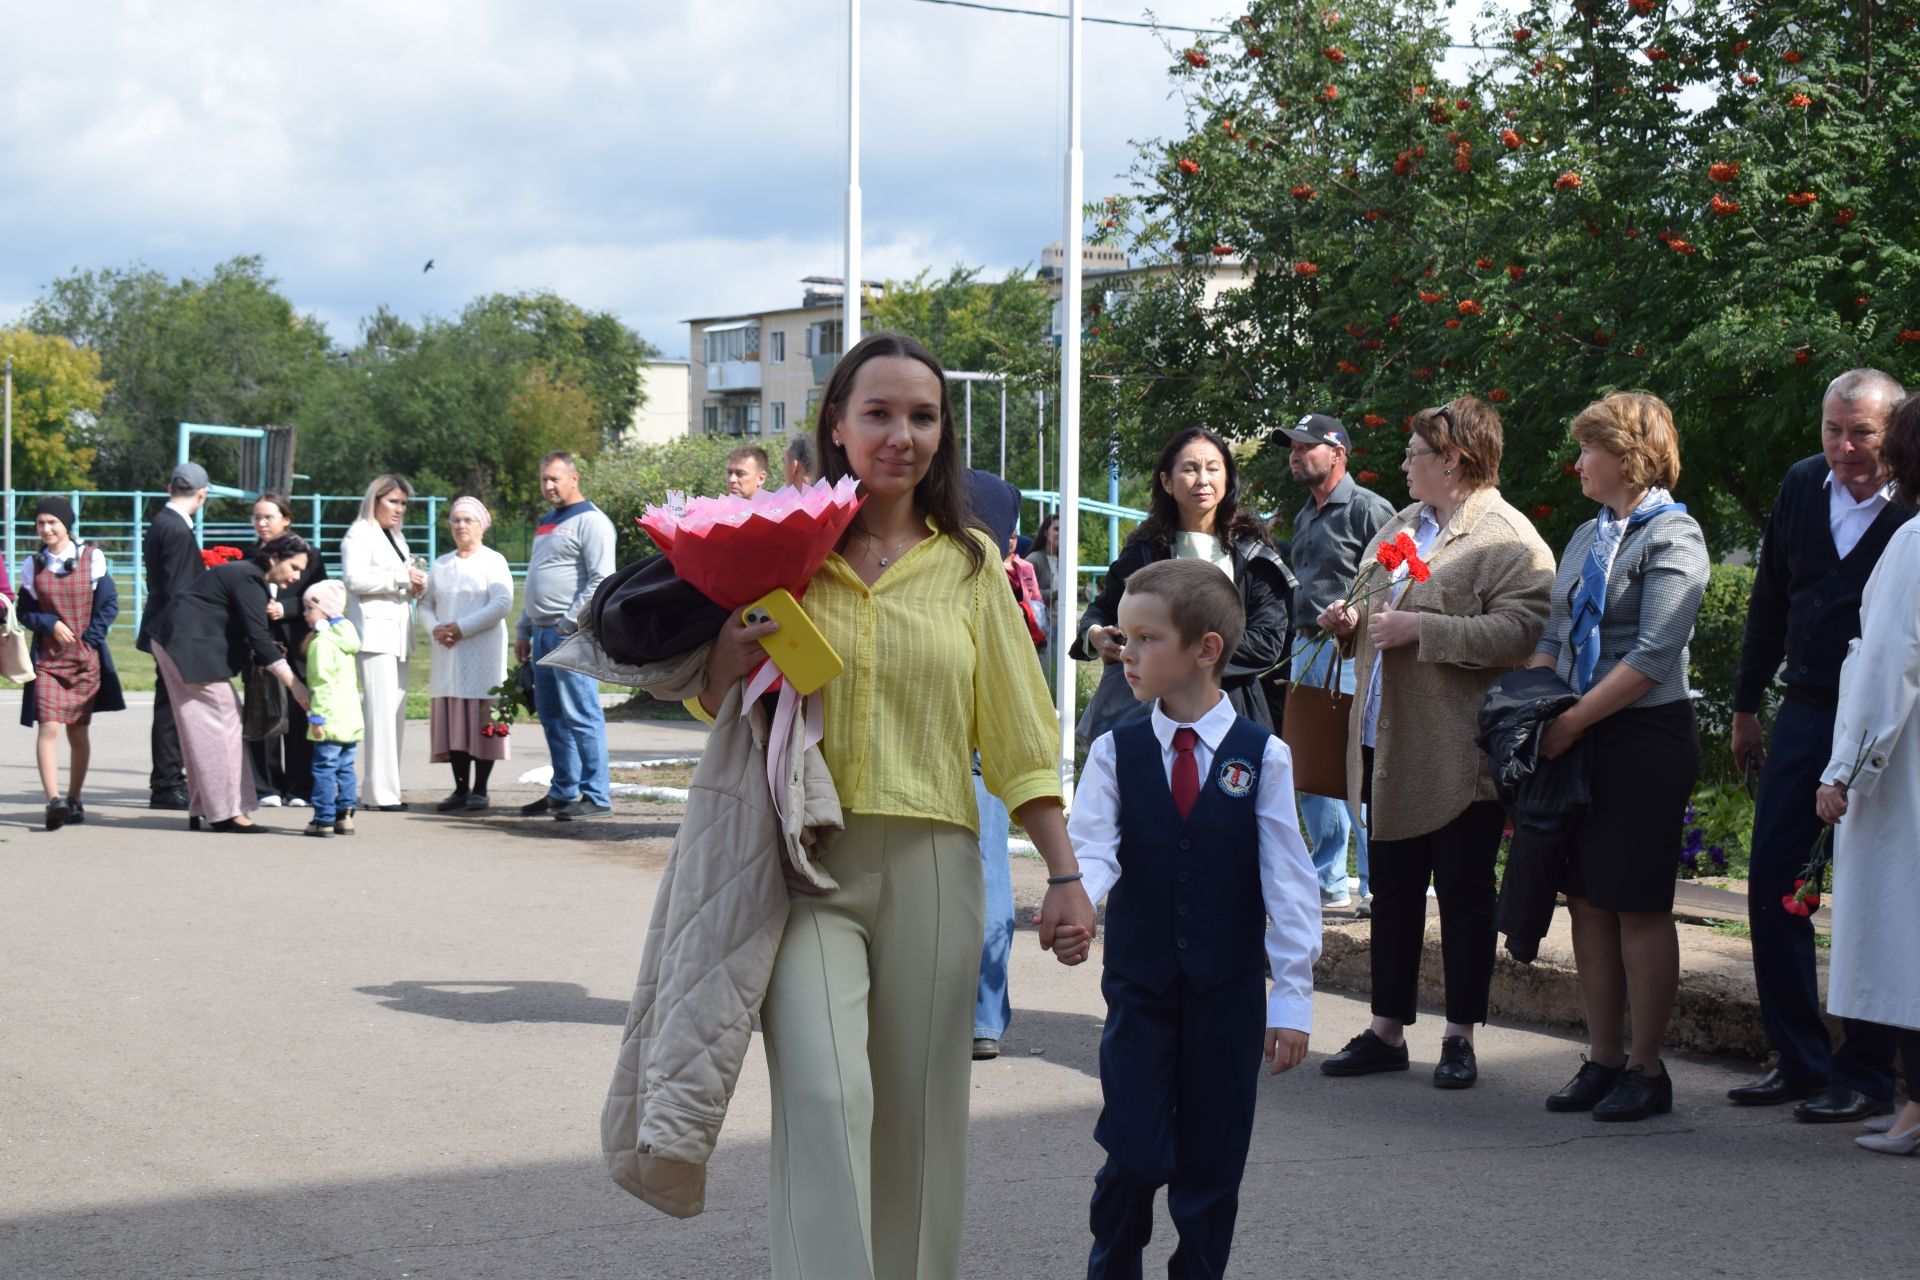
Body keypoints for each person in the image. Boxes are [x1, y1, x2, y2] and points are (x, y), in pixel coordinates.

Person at [694, 331, 1095, 1280]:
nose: (899, 434)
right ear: (837, 425)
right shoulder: (783, 555)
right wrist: (721, 657)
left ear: (941, 432)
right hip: (804, 864)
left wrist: (1066, 877)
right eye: (877, 413)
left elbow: (1019, 732)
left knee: (919, 1123)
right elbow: (715, 703)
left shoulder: (969, 564)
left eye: (921, 415)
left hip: (933, 865)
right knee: (826, 1102)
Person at [1056, 557, 1319, 1278]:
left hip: (1226, 992)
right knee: (1135, 1154)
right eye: (1122, 638)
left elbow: (1288, 882)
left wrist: (1291, 998)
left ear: (1205, 649)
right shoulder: (1116, 751)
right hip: (1140, 988)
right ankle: (1114, 1262)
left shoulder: (1262, 756)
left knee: (1211, 1164)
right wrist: (1078, 904)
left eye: (1146, 639)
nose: (1126, 653)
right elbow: (1093, 848)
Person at [1317, 396, 1554, 1088]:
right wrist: (1349, 620)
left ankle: (1460, 1035)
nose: (1404, 463)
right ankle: (1387, 1028)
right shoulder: (1400, 523)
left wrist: (1426, 632)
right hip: (1385, 739)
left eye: (1415, 453)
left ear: (1453, 459)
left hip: (1457, 750)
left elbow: (1523, 632)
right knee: (1390, 890)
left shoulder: (1508, 536)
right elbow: (1372, 610)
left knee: (1462, 892)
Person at [1728, 368, 1909, 1122]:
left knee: (1869, 888)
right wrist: (1744, 704)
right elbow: (1770, 598)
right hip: (1806, 707)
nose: (1845, 448)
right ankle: (1798, 1057)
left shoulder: (1914, 510)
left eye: (1862, 433)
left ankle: (1866, 1072)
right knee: (1774, 881)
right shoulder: (1804, 485)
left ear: (1894, 435)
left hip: (1886, 717)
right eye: (1833, 430)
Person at [1528, 392, 1710, 1120]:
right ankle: (1603, 1060)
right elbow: (1554, 631)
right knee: (1588, 901)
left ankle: (1648, 1068)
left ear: (1628, 456)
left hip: (1643, 736)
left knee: (1637, 904)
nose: (1577, 463)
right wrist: (1537, 700)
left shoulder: (1678, 535)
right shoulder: (1587, 533)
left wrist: (1570, 723)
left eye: (1588, 450)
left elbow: (1652, 656)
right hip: (1578, 729)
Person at [1815, 389, 1920, 1156]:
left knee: (1905, 942)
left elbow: (1887, 667)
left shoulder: (1913, 543)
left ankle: (1915, 1108)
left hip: (1906, 776)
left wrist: (1845, 771)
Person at [1072, 425, 1294, 741]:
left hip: (1231, 711)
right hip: (1150, 716)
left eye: (1213, 468)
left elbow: (1267, 642)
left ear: (1227, 478)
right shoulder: (1147, 550)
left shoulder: (1253, 552)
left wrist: (1175, 655)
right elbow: (1102, 610)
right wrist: (1095, 634)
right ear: (1167, 481)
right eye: (1190, 469)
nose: (1203, 479)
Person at [1281, 411, 1398, 913]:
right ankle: (1328, 881)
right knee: (1312, 767)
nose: (1295, 456)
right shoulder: (1305, 513)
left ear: (1338, 453)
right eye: (1291, 449)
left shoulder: (1370, 509)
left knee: (1359, 765)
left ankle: (1377, 887)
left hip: (1355, 650)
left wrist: (1361, 615)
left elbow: (1402, 581)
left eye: (1305, 447)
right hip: (1306, 648)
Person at [147, 536, 314, 833]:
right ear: (274, 558)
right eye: (294, 567)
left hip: (177, 643)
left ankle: (207, 806)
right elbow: (260, 638)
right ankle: (227, 812)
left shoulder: (245, 575)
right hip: (186, 647)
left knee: (206, 726)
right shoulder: (248, 577)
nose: (297, 576)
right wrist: (294, 685)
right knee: (223, 724)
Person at [515, 451, 618, 821]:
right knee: (552, 716)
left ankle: (596, 795)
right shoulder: (547, 521)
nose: (548, 486)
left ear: (574, 478)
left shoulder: (592, 522)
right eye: (544, 479)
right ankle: (563, 790)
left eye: (555, 479)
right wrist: (524, 628)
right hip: (542, 633)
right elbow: (536, 577)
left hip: (571, 635)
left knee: (581, 713)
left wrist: (567, 622)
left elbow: (601, 579)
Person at [17, 497, 125, 830]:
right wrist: (48, 624)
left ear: (66, 523)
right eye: (40, 523)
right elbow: (25, 612)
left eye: (52, 522)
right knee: (48, 726)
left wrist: (89, 640)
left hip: (84, 660)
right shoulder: (32, 565)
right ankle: (54, 801)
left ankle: (74, 798)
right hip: (49, 661)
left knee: (77, 731)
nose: (46, 529)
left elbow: (108, 605)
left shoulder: (92, 559)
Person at [421, 497, 514, 812]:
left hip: (481, 656)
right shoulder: (442, 564)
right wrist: (435, 627)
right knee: (454, 724)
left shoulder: (493, 561)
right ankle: (460, 788)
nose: (461, 526)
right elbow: (426, 603)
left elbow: (501, 604)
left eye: (467, 520)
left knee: (482, 720)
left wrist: (462, 627)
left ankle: (481, 789)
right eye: (456, 520)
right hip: (447, 657)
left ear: (481, 526)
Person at [340, 474, 426, 812]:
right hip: (374, 635)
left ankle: (389, 787)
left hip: (399, 634)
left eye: (403, 503)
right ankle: (378, 792)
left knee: (395, 714)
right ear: (375, 500)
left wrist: (415, 586)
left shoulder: (396, 537)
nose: (399, 509)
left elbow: (399, 579)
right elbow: (354, 578)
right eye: (393, 501)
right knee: (379, 715)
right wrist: (399, 579)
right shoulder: (358, 534)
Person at [245, 492, 326, 808]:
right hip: (262, 644)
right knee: (263, 710)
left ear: (286, 519)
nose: (262, 523)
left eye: (268, 517)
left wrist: (287, 608)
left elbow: (321, 596)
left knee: (299, 709)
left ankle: (299, 787)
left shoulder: (311, 555)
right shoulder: (249, 555)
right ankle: (265, 786)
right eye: (257, 517)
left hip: (297, 642)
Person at [137, 462, 210, 809]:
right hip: (174, 630)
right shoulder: (178, 530)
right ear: (202, 494)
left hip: (162, 625)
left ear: (169, 488)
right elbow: (181, 590)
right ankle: (167, 784)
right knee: (171, 709)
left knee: (169, 705)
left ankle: (167, 781)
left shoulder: (161, 523)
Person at [299, 580, 363, 839]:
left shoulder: (322, 643)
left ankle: (323, 818)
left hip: (330, 718)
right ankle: (344, 816)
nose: (305, 614)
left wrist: (317, 716)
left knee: (324, 767)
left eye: (308, 608)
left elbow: (321, 683)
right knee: (345, 767)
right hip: (350, 717)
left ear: (323, 611)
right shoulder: (346, 639)